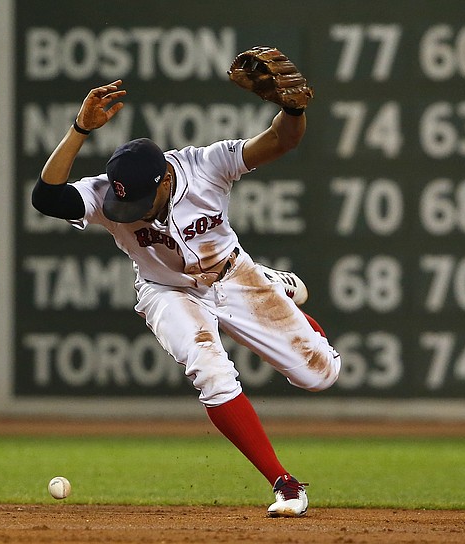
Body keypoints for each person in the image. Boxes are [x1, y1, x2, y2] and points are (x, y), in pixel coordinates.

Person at [32, 76, 341, 517]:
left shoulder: (206, 166)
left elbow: (279, 141)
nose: (132, 212)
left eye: (141, 200)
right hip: (166, 291)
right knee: (210, 372)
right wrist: (79, 130)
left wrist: (293, 111)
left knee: (321, 375)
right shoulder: (106, 194)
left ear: (164, 180)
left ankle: (276, 290)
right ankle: (285, 484)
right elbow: (46, 198)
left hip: (231, 275)